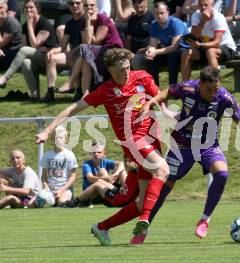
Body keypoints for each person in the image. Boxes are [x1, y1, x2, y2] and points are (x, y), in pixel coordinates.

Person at [35, 48, 169, 246]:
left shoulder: (141, 77)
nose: (126, 71)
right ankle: (145, 220)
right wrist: (47, 130)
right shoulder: (105, 91)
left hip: (152, 141)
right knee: (162, 169)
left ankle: (102, 227)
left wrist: (165, 111)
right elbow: (73, 108)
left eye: (127, 66)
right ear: (110, 70)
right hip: (133, 143)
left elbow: (159, 97)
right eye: (121, 69)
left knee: (141, 203)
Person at [139, 66, 240, 239]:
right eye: (208, 90)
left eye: (215, 90)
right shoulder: (188, 88)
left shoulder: (224, 98)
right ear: (200, 84)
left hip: (208, 146)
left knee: (222, 174)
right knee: (165, 186)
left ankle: (204, 220)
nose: (213, 93)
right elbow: (167, 92)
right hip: (181, 145)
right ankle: (144, 227)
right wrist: (149, 103)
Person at [62, 0, 123, 100]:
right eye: (86, 5)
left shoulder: (102, 19)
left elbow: (96, 41)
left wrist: (89, 24)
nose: (89, 7)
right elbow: (87, 42)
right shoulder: (84, 22)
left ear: (96, 7)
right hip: (98, 51)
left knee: (84, 50)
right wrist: (88, 22)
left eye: (92, 5)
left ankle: (71, 82)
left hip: (112, 50)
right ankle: (86, 93)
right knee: (85, 56)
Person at [0, 0, 57, 100]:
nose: (28, 10)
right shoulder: (25, 25)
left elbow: (34, 45)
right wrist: (28, 25)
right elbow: (24, 45)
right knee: (25, 62)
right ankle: (35, 95)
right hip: (36, 55)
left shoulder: (44, 23)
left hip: (49, 57)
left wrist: (30, 25)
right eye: (26, 8)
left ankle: (5, 77)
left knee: (24, 50)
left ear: (37, 9)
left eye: (31, 7)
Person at [131, 1, 188, 85]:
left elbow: (174, 47)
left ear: (168, 12)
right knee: (151, 57)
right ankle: (155, 87)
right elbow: (153, 45)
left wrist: (155, 51)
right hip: (166, 49)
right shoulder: (154, 25)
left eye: (162, 13)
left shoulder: (176, 23)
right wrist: (150, 51)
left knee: (171, 55)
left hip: (181, 49)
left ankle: (172, 87)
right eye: (156, 14)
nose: (159, 16)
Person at [181, 0, 237, 81]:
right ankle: (185, 86)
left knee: (211, 51)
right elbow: (195, 35)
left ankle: (215, 84)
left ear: (212, 5)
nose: (203, 7)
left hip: (226, 48)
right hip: (206, 48)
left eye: (206, 5)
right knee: (186, 53)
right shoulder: (196, 15)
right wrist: (203, 21)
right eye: (201, 5)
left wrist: (200, 45)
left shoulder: (219, 17)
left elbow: (217, 43)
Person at [43, 0, 84, 102]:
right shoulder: (70, 23)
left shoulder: (87, 20)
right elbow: (62, 45)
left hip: (84, 54)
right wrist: (53, 51)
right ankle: (50, 91)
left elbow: (87, 43)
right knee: (51, 58)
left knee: (76, 56)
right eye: (71, 3)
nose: (74, 5)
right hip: (73, 53)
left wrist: (72, 51)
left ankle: (78, 91)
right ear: (68, 6)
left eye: (77, 3)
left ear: (83, 3)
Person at [62, 155, 139, 208]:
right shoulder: (133, 172)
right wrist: (114, 175)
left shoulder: (136, 173)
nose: (127, 164)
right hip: (121, 196)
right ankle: (82, 201)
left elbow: (141, 190)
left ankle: (73, 203)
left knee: (97, 184)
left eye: (130, 161)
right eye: (126, 161)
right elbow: (90, 178)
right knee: (100, 180)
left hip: (120, 200)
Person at [38, 126, 78, 207]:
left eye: (61, 138)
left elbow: (72, 177)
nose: (58, 140)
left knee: (61, 203)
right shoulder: (47, 155)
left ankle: (70, 201)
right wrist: (46, 188)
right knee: (32, 204)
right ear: (52, 139)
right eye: (56, 138)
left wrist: (61, 190)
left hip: (65, 190)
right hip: (49, 190)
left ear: (65, 140)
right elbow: (43, 177)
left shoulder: (69, 155)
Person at [0, 0, 22, 72]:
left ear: (6, 9)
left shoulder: (11, 23)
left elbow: (2, 44)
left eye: (1, 8)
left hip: (13, 51)